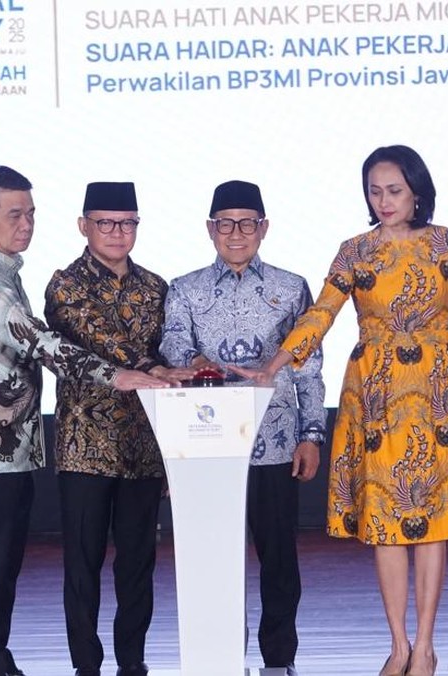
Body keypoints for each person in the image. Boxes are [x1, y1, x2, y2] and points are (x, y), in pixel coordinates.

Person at [233, 147, 448, 676]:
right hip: (375, 397)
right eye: (375, 192)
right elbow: (321, 313)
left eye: (394, 190)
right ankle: (398, 646)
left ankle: (425, 647)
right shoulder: (355, 251)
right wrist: (273, 366)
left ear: (417, 190)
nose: (384, 201)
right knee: (384, 522)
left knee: (433, 523)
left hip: (439, 394)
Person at [0, 166, 168, 676]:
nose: (26, 224)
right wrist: (119, 376)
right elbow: (39, 342)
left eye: (31, 213)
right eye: (14, 214)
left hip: (2, 448)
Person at [159, 180, 326, 674]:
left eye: (247, 223)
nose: (236, 233)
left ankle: (279, 659)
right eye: (226, 224)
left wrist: (311, 435)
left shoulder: (290, 288)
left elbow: (309, 365)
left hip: (275, 440)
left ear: (264, 228)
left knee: (279, 556)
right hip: (208, 444)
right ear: (210, 229)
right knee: (215, 559)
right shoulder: (184, 289)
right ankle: (222, 655)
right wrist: (197, 362)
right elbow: (172, 347)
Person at [43, 182, 195, 676]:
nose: (117, 232)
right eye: (105, 223)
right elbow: (98, 338)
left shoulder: (156, 287)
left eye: (127, 223)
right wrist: (153, 368)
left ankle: (133, 661)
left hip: (144, 445)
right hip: (84, 445)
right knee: (82, 562)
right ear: (83, 226)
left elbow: (174, 353)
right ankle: (86, 665)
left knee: (138, 564)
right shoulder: (65, 286)